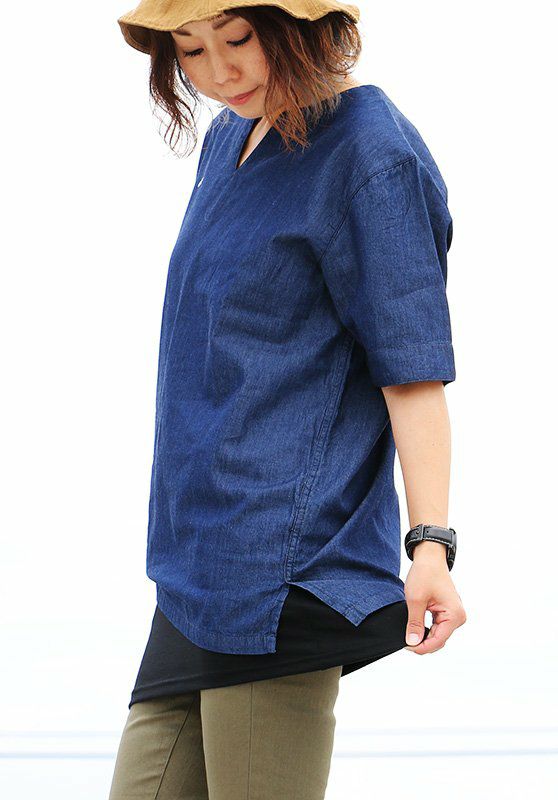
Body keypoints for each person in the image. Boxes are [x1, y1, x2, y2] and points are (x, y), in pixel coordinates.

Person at [109, 2, 467, 797]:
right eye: (190, 49)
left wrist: (431, 545)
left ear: (299, 25)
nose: (219, 71)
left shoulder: (369, 150)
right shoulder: (227, 142)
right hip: (196, 566)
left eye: (238, 38)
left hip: (286, 564)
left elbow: (411, 369)